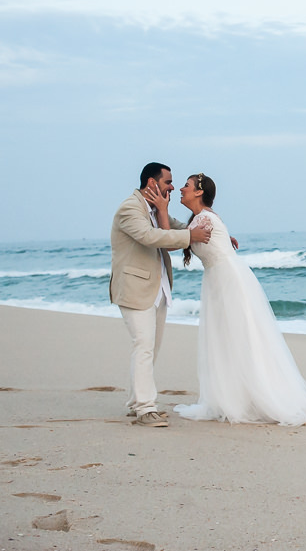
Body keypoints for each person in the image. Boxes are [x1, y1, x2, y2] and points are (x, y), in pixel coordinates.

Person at [153, 173, 306, 426]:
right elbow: (184, 237)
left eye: (187, 186)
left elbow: (170, 243)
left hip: (227, 281)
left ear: (199, 192)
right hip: (219, 280)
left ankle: (263, 397)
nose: (181, 189)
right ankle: (237, 396)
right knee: (229, 339)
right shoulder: (201, 219)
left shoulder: (204, 218)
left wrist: (162, 208)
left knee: (239, 338)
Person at [110, 162, 212, 428]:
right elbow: (151, 236)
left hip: (158, 288)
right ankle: (146, 409)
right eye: (168, 182)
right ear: (152, 183)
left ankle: (135, 403)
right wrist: (189, 235)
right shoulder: (129, 208)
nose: (172, 187)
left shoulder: (156, 209)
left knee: (149, 349)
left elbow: (178, 228)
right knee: (143, 346)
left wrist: (219, 236)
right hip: (135, 288)